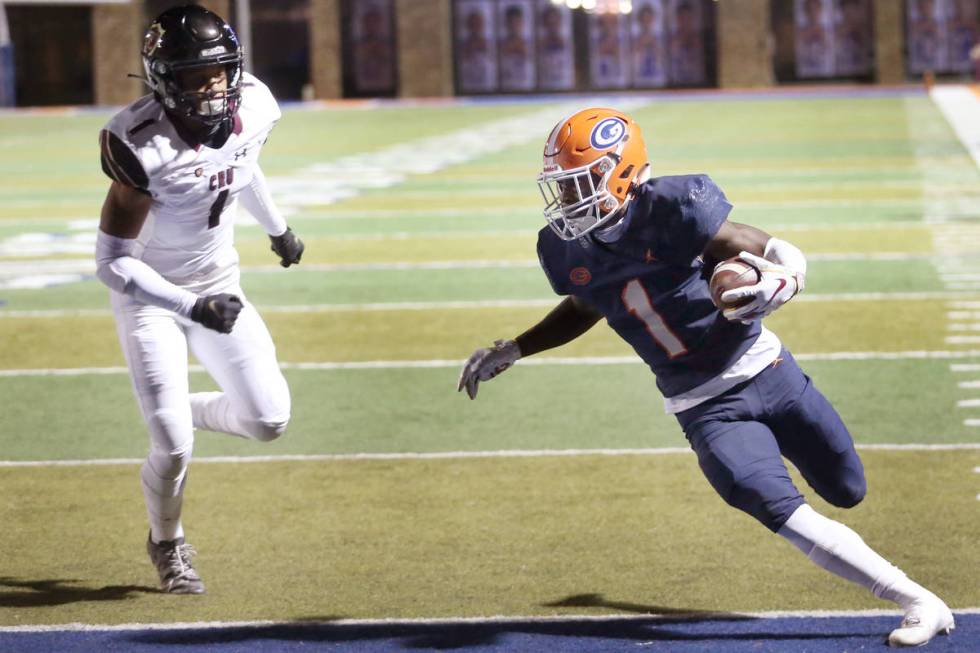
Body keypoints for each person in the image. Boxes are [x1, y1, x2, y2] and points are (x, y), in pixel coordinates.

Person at [457, 108, 955, 647]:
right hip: (703, 405)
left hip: (771, 369)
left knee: (847, 488)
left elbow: (766, 247)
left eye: (582, 183)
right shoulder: (564, 247)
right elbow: (586, 302)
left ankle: (901, 581)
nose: (569, 200)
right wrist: (518, 347)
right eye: (563, 187)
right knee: (769, 501)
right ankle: (917, 599)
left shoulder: (672, 207)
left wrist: (784, 279)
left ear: (622, 174)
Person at [96, 5, 304, 594]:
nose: (212, 87)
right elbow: (111, 262)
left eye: (219, 72)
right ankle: (168, 542)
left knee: (269, 420)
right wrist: (189, 308)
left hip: (219, 284)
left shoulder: (256, 104)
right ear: (164, 80)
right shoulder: (141, 145)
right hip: (150, 295)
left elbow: (243, 164)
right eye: (194, 75)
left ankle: (180, 411)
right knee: (173, 448)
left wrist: (276, 228)